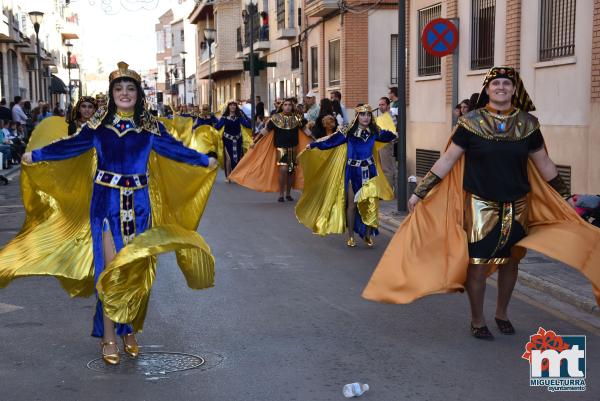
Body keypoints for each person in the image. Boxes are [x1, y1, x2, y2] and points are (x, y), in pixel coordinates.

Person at [2, 62, 218, 365]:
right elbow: (69, 146)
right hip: (105, 204)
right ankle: (108, 336)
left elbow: (176, 150)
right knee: (110, 269)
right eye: (119, 89)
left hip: (139, 206)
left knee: (135, 271)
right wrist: (35, 155)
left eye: (130, 88)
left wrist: (202, 161)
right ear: (112, 93)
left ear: (138, 94)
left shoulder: (151, 128)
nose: (125, 93)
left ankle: (130, 330)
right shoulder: (97, 127)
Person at [363, 66, 600, 340]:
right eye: (495, 83)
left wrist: (564, 197)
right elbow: (448, 160)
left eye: (506, 84)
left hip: (518, 204)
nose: (501, 87)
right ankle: (477, 319)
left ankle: (502, 313)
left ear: (514, 90)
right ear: (487, 90)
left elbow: (543, 162)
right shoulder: (470, 123)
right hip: (480, 204)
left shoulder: (528, 123)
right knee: (477, 263)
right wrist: (422, 191)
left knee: (511, 262)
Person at [297, 104, 397, 247]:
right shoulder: (348, 132)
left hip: (369, 172)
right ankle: (351, 236)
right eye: (362, 115)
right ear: (357, 117)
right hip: (353, 172)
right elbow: (330, 141)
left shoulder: (375, 132)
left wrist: (395, 133)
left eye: (368, 115)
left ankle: (368, 235)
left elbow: (389, 135)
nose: (366, 117)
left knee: (371, 204)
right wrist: (313, 145)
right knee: (351, 205)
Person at [230, 98, 313, 201]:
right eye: (285, 105)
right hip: (281, 147)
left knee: (291, 171)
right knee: (283, 169)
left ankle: (288, 193)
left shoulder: (297, 118)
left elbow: (305, 130)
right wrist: (255, 141)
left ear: (292, 107)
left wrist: (315, 139)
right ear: (282, 106)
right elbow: (265, 130)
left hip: (293, 148)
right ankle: (281, 194)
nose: (287, 106)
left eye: (289, 105)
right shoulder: (276, 118)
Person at [214, 100, 252, 178]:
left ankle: (236, 175)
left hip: (238, 140)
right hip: (227, 140)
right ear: (228, 107)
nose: (232, 106)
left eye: (234, 105)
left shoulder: (239, 117)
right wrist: (210, 129)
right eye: (231, 105)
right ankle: (228, 176)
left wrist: (246, 117)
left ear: (236, 107)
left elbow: (247, 125)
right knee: (228, 158)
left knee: (238, 158)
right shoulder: (224, 117)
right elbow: (218, 127)